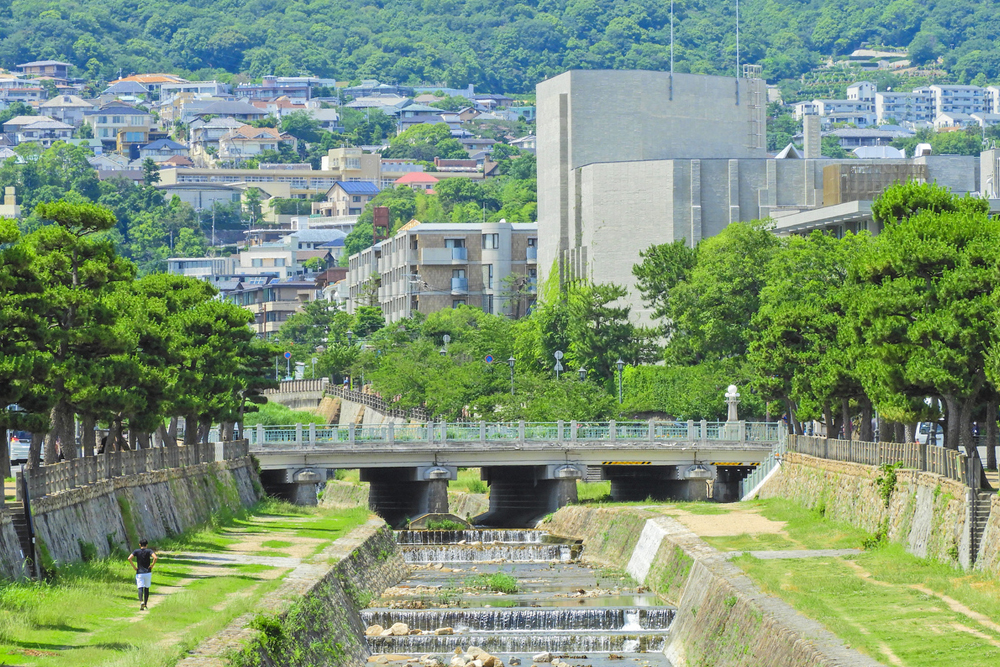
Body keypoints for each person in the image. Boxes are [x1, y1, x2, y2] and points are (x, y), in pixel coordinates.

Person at [127, 539, 158, 611]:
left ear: (139, 545)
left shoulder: (136, 551)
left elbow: (129, 558)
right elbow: (155, 557)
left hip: (140, 572)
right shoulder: (149, 551)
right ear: (147, 545)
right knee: (146, 588)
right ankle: (145, 604)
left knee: (140, 587)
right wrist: (152, 565)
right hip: (147, 572)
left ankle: (141, 601)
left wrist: (134, 567)